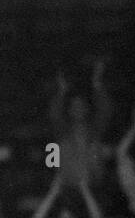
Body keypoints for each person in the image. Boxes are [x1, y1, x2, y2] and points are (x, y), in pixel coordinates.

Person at [47, 60, 112, 190]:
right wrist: (62, 91)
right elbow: (55, 114)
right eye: (75, 107)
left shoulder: (94, 130)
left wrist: (97, 82)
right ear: (70, 111)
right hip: (69, 185)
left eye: (81, 106)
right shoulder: (63, 131)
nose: (78, 109)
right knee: (59, 147)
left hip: (93, 185)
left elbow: (105, 110)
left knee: (96, 147)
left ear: (86, 109)